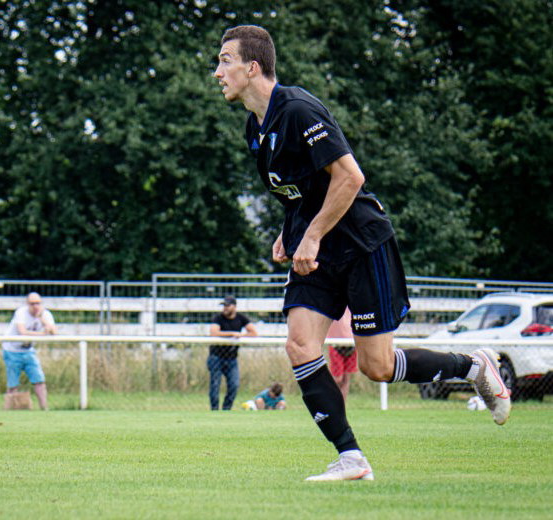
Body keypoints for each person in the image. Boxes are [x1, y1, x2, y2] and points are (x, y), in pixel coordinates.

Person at [214, 25, 510, 480]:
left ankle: (472, 366)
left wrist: (311, 235)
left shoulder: (297, 109)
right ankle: (351, 458)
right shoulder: (255, 128)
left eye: (225, 61)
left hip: (360, 243)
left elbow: (350, 177)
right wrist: (290, 231)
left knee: (378, 366)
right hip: (317, 250)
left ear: (252, 67)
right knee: (299, 344)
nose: (218, 73)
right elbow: (299, 191)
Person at [1, 292, 57, 410]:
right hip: (12, 349)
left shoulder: (46, 314)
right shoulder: (21, 313)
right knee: (13, 383)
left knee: (39, 380)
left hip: (28, 350)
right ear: (27, 304)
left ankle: (44, 408)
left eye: (38, 303)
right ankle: (10, 409)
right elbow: (22, 331)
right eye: (32, 304)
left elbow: (54, 332)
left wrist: (42, 320)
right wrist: (42, 334)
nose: (35, 306)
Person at [208, 295, 258, 410]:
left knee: (234, 385)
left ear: (234, 307)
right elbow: (214, 333)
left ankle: (227, 409)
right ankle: (214, 410)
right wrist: (232, 334)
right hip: (216, 357)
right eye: (224, 306)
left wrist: (241, 335)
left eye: (227, 305)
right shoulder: (218, 318)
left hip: (232, 358)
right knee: (215, 385)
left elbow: (254, 333)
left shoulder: (241, 318)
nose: (225, 308)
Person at [327, 308, 356, 399]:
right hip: (335, 342)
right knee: (337, 379)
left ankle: (342, 404)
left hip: (351, 341)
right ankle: (330, 401)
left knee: (346, 379)